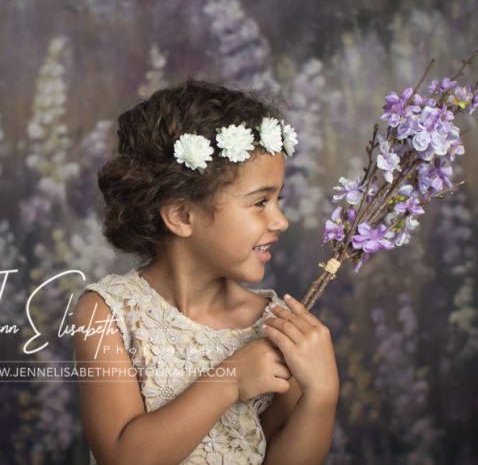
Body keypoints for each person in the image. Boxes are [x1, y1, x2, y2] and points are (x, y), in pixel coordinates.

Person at [72, 79, 339, 464]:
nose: (280, 220)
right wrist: (228, 380)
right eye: (260, 201)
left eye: (279, 199)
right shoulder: (108, 314)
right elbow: (121, 457)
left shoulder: (276, 326)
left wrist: (322, 395)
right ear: (182, 215)